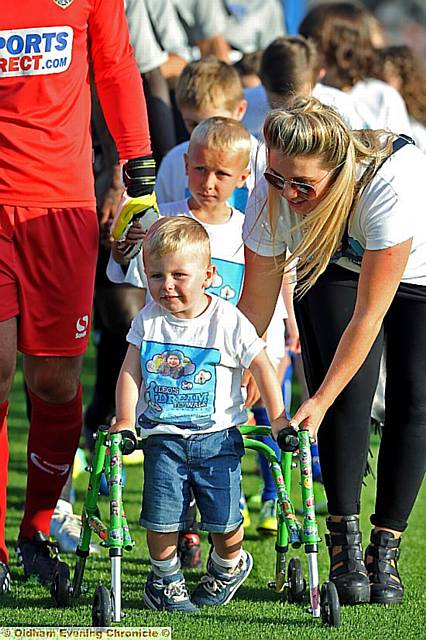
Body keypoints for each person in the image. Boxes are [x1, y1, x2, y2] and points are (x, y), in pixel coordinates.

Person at [239, 96, 426, 606]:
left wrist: (314, 403)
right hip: (334, 260)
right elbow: (254, 304)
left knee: (415, 398)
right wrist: (239, 366)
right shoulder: (271, 192)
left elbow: (369, 318)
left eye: (304, 184)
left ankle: (385, 548)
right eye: (279, 177)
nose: (289, 193)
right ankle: (343, 542)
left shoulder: (388, 186)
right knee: (343, 395)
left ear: (338, 172)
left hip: (417, 270)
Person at [0, 0, 154, 594]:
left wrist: (137, 175)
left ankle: (36, 531)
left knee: (55, 383)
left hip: (60, 207)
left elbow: (115, 67)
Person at [109, 115, 287, 554]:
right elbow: (130, 275)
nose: (208, 182)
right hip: (169, 371)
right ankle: (180, 537)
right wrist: (122, 246)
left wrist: (277, 350)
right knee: (169, 467)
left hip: (224, 368)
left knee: (215, 464)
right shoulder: (163, 220)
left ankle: (223, 539)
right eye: (200, 169)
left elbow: (267, 299)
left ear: (245, 177)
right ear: (185, 164)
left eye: (222, 174)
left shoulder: (249, 229)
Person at [111, 216, 289, 612]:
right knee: (160, 519)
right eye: (155, 275)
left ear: (207, 274)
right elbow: (130, 370)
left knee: (225, 523)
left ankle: (228, 566)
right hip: (163, 437)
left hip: (217, 440)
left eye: (178, 275)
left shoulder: (226, 320)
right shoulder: (149, 319)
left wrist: (277, 418)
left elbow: (261, 364)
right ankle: (165, 579)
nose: (166, 285)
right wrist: (125, 418)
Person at [155, 56, 264, 209]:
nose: (204, 134)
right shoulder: (174, 162)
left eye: (214, 123)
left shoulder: (261, 159)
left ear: (239, 110)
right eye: (193, 124)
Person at [298, 2, 412, 132]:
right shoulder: (309, 94)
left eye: (313, 42)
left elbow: (403, 148)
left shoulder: (382, 96)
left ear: (341, 46)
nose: (306, 49)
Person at [372, 45, 426, 154]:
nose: (378, 85)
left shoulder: (417, 121)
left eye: (384, 79)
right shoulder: (376, 108)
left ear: (405, 77)